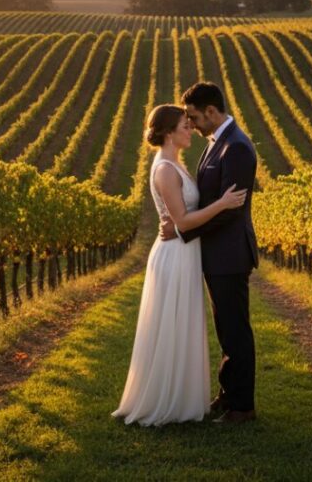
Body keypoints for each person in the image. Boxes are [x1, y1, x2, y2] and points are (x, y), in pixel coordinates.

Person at [112, 104, 247, 426]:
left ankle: (182, 397)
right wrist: (223, 204)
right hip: (174, 254)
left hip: (184, 252)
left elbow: (180, 220)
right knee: (172, 323)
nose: (191, 130)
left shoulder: (175, 164)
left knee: (182, 321)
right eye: (185, 126)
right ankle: (167, 401)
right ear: (169, 133)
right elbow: (183, 222)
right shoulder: (164, 170)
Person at [160, 82, 259, 424]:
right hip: (217, 255)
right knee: (225, 329)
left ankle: (242, 407)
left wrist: (183, 229)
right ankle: (229, 393)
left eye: (194, 117)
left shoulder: (237, 149)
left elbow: (231, 211)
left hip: (230, 255)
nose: (193, 124)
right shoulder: (218, 143)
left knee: (235, 331)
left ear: (213, 112)